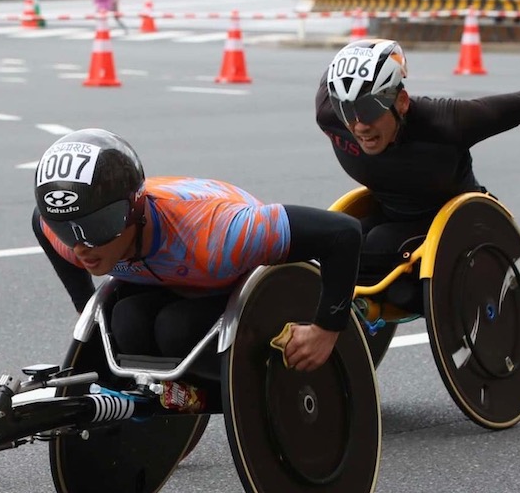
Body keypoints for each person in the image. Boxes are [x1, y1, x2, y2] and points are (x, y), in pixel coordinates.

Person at [33, 129, 363, 411]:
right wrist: (82, 306)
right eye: (67, 229)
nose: (82, 248)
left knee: (175, 328)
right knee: (125, 321)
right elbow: (42, 224)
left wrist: (326, 329)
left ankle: (251, 392)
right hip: (169, 276)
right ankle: (169, 397)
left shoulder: (220, 234)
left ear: (133, 210)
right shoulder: (72, 235)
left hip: (222, 271)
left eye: (97, 227)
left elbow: (343, 233)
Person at [315, 38, 520, 315]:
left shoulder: (445, 122)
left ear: (402, 102)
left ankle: (411, 299)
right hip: (391, 210)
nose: (359, 125)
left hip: (455, 220)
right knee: (335, 243)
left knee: (375, 246)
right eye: (347, 110)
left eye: (370, 109)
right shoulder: (329, 113)